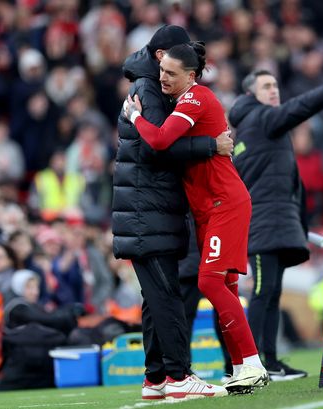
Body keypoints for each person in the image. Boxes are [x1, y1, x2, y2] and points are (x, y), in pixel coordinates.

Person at [124, 41, 268, 395]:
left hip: (225, 202)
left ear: (191, 76)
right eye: (161, 71)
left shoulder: (195, 97)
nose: (163, 79)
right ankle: (239, 368)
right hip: (206, 208)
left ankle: (252, 362)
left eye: (171, 73)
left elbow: (158, 140)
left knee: (209, 283)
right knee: (226, 285)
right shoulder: (180, 99)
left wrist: (135, 117)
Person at [112, 25, 232, 400]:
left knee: (155, 299)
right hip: (148, 209)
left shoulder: (147, 84)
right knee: (168, 295)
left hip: (148, 208)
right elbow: (154, 148)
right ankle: (180, 376)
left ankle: (156, 379)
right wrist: (209, 145)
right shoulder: (149, 88)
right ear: (162, 56)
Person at [228, 69, 323, 381]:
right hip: (264, 222)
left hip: (272, 221)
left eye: (275, 84)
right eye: (266, 86)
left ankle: (268, 362)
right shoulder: (262, 119)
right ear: (251, 94)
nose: (274, 90)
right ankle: (253, 363)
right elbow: (296, 109)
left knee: (271, 292)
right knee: (263, 291)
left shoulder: (254, 124)